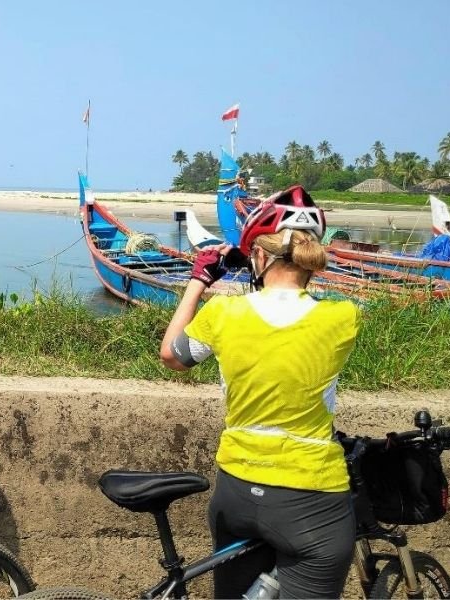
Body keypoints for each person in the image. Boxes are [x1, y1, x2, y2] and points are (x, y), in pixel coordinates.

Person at [158, 185, 359, 599]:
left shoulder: (223, 312)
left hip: (237, 491)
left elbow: (171, 355)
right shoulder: (343, 317)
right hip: (311, 498)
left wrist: (200, 279)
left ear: (260, 256)